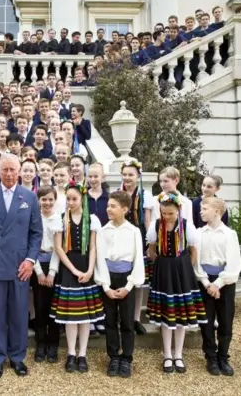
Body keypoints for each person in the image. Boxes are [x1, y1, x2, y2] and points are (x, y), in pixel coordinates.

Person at [0, 154, 43, 378]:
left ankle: (18, 357)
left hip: (19, 266)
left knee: (19, 314)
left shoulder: (29, 197)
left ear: (20, 170)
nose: (10, 174)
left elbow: (36, 233)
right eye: (5, 170)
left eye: (13, 170)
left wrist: (31, 260)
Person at [147, 193, 205, 374]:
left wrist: (186, 268)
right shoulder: (156, 225)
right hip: (163, 270)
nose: (166, 216)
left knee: (180, 315)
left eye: (170, 213)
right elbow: (151, 250)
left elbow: (193, 250)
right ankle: (167, 355)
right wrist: (161, 264)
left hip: (182, 270)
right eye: (163, 213)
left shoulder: (186, 225)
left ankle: (178, 354)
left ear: (178, 210)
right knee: (166, 314)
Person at [50, 180, 104, 373]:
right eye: (69, 199)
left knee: (85, 316)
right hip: (69, 268)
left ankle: (83, 354)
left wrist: (89, 270)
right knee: (72, 316)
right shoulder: (60, 219)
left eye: (75, 199)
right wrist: (74, 270)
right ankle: (71, 353)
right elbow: (58, 247)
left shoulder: (93, 220)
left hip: (86, 267)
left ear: (82, 199)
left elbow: (93, 247)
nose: (71, 202)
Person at [95, 190, 144, 378]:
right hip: (108, 277)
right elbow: (100, 259)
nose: (108, 209)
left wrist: (129, 286)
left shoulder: (133, 231)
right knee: (110, 320)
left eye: (113, 206)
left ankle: (127, 357)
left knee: (126, 320)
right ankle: (113, 356)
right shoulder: (103, 231)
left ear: (124, 209)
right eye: (108, 205)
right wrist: (105, 287)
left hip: (126, 279)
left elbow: (138, 259)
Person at [194, 197, 241, 376]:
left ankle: (223, 355)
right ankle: (210, 356)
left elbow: (234, 264)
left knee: (225, 320)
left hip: (225, 283)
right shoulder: (199, 233)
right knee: (206, 321)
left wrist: (218, 284)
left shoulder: (230, 234)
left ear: (217, 211)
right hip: (205, 281)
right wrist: (207, 283)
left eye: (205, 208)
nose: (201, 211)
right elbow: (196, 262)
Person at [120, 159, 154, 335]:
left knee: (139, 281)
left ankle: (135, 319)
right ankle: (123, 317)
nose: (127, 178)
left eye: (131, 175)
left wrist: (149, 243)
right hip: (122, 236)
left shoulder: (144, 194)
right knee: (123, 276)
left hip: (139, 235)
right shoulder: (118, 193)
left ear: (138, 176)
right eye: (125, 174)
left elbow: (147, 221)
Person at [32, 186, 62, 364]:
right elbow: (31, 246)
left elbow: (59, 249)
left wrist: (51, 273)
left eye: (51, 199)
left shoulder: (59, 219)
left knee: (54, 306)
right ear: (39, 200)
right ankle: (41, 343)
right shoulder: (34, 219)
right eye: (44, 199)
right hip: (37, 264)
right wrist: (39, 272)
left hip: (55, 264)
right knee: (40, 306)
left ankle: (53, 344)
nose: (47, 202)